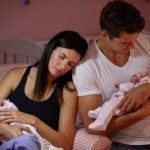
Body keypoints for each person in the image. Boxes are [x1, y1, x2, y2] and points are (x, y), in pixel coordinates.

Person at [72, 0, 150, 149]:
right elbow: (92, 126)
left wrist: (147, 88)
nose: (133, 46)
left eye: (135, 39)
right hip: (125, 143)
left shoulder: (147, 44)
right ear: (104, 35)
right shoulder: (86, 66)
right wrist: (144, 111)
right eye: (125, 43)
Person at [0, 30, 88, 150]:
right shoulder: (15, 76)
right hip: (5, 142)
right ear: (50, 49)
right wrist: (5, 129)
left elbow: (65, 143)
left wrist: (32, 120)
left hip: (35, 145)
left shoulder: (68, 90)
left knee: (28, 143)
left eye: (71, 64)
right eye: (61, 57)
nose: (63, 66)